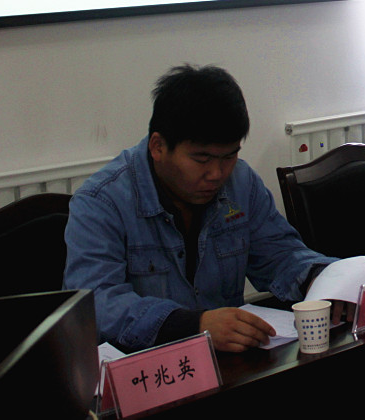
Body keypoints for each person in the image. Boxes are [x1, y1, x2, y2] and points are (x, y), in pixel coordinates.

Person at [64, 64, 339, 354]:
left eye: (229, 156)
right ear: (158, 147)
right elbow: (97, 305)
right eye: (202, 159)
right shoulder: (101, 201)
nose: (217, 174)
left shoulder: (241, 183)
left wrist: (325, 278)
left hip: (229, 363)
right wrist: (194, 325)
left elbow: (280, 255)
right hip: (148, 369)